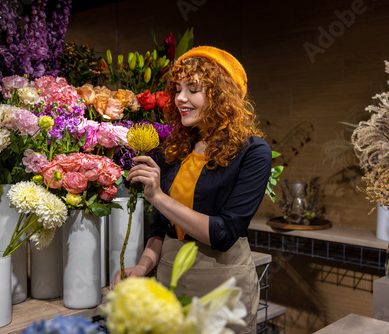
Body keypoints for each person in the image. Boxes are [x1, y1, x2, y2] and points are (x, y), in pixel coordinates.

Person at [111, 46, 272, 334]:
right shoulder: (175, 148)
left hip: (222, 284)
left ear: (222, 95)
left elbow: (223, 234)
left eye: (193, 89)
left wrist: (158, 196)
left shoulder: (254, 153)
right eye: (177, 89)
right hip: (169, 277)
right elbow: (160, 227)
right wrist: (143, 267)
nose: (180, 98)